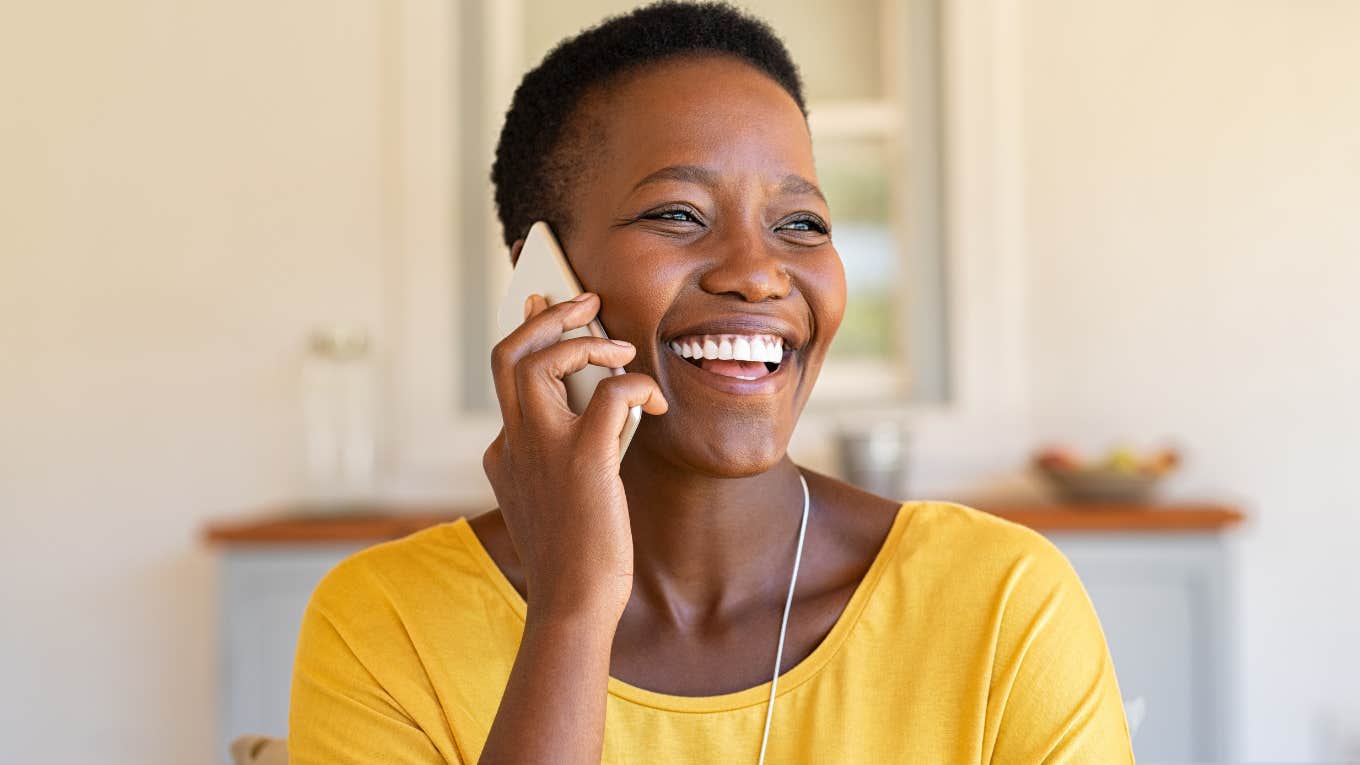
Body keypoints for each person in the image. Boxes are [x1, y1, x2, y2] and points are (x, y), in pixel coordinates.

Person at [287, 2, 1134, 763]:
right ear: (542, 282)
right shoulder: (381, 624)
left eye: (800, 223)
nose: (760, 275)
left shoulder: (1001, 601)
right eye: (679, 214)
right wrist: (572, 614)